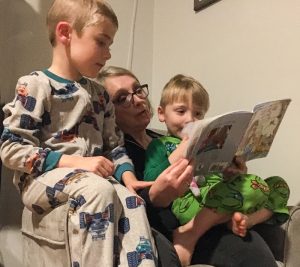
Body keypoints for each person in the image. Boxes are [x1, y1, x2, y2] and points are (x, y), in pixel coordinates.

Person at [0, 1, 158, 266]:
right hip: (42, 180)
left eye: (110, 45)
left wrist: (128, 178)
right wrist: (78, 162)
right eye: (101, 42)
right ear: (65, 33)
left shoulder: (100, 96)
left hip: (89, 178)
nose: (108, 54)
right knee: (98, 191)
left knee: (132, 201)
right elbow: (12, 148)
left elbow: (114, 147)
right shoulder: (36, 85)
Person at [98, 65, 288, 267]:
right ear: (108, 112)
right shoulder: (119, 156)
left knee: (268, 186)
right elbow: (139, 202)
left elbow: (209, 177)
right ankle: (196, 233)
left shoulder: (165, 137)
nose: (137, 100)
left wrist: (233, 172)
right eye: (122, 98)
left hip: (213, 202)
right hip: (182, 220)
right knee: (249, 247)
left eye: (138, 90)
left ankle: (240, 217)